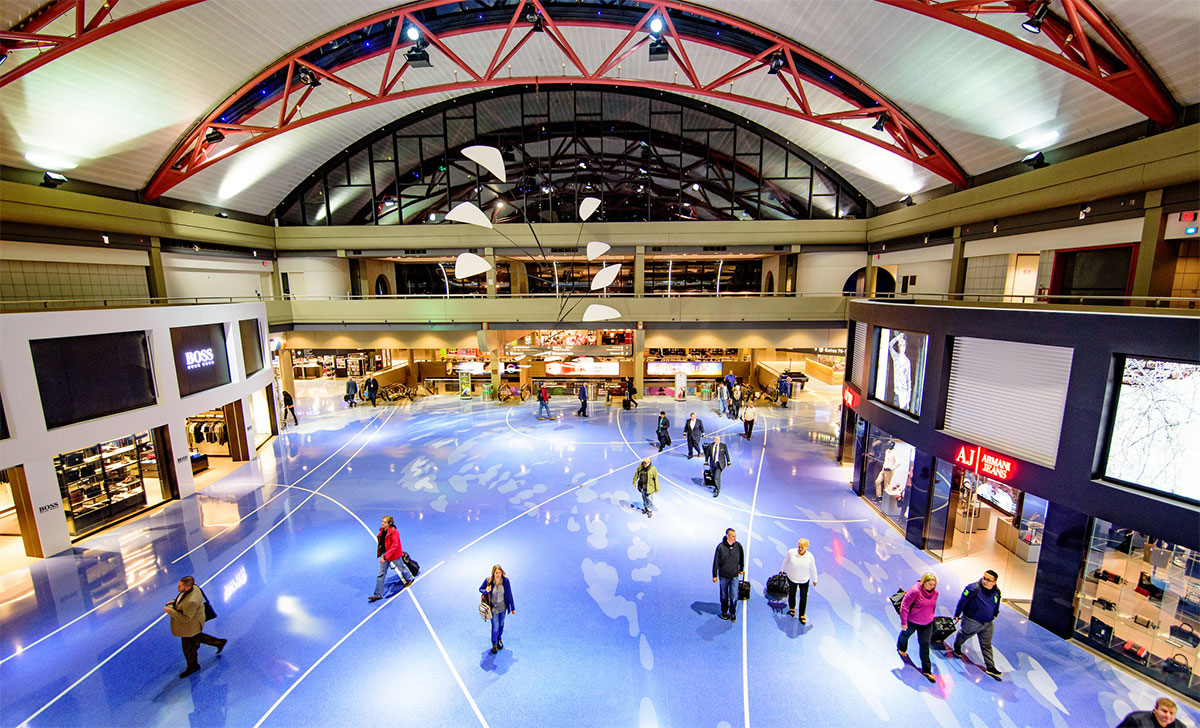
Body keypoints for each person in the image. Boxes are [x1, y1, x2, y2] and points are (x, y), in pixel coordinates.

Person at [164, 576, 226, 678]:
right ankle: (219, 643)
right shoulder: (194, 587)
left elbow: (186, 618)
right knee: (198, 637)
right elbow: (182, 598)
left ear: (187, 587)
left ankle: (193, 666)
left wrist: (171, 611)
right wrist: (175, 602)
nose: (177, 587)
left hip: (191, 626)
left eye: (180, 585)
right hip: (195, 623)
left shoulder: (191, 601)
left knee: (188, 648)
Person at [952, 569, 1003, 680]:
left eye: (989, 580)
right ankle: (957, 645)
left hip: (988, 623)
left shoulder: (996, 591)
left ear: (994, 582)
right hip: (972, 620)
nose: (985, 581)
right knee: (964, 634)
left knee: (986, 645)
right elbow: (962, 601)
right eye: (984, 578)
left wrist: (995, 613)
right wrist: (957, 613)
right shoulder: (972, 588)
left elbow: (997, 602)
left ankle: (990, 666)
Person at [898, 572, 940, 683]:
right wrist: (904, 622)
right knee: (905, 635)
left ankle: (927, 670)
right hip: (912, 621)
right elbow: (905, 606)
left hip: (927, 623)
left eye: (934, 585)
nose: (932, 587)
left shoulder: (935, 593)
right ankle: (901, 647)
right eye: (930, 584)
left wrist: (931, 617)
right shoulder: (915, 591)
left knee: (925, 644)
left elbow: (932, 607)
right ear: (924, 582)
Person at [368, 515, 415, 602]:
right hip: (385, 553)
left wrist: (385, 557)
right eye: (382, 521)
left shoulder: (394, 532)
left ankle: (409, 578)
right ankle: (378, 594)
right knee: (381, 574)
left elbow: (395, 546)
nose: (382, 523)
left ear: (389, 523)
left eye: (385, 522)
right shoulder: (382, 530)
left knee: (401, 567)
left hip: (394, 554)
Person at [779, 538, 818, 622]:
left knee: (803, 597)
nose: (800, 549)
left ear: (806, 547)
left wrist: (815, 579)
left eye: (802, 547)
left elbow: (813, 568)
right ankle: (792, 608)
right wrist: (782, 570)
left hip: (804, 580)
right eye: (799, 547)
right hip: (792, 578)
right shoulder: (791, 552)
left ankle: (802, 615)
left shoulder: (810, 557)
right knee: (792, 593)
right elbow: (785, 561)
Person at [480, 565, 516, 655]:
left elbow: (509, 594)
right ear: (493, 573)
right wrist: (486, 591)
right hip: (493, 609)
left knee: (501, 625)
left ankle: (499, 639)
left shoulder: (506, 581)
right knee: (495, 627)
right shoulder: (489, 581)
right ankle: (494, 644)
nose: (498, 575)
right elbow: (480, 589)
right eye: (496, 573)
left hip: (503, 608)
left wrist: (513, 607)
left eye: (500, 573)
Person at [713, 528, 745, 622]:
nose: (735, 538)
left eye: (735, 536)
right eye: (733, 536)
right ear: (728, 536)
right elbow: (716, 562)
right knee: (724, 595)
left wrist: (741, 569)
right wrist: (714, 575)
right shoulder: (720, 547)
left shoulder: (738, 546)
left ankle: (733, 612)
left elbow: (741, 558)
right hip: (723, 576)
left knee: (734, 595)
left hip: (734, 575)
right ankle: (724, 612)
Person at [1118, 698, 1187, 728]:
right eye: (1164, 711)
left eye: (1171, 713)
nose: (1168, 716)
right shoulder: (1136, 720)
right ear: (1155, 710)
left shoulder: (1180, 727)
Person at [889, 331, 913, 411]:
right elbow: (890, 345)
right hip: (896, 392)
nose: (902, 347)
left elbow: (909, 380)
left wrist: (908, 399)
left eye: (903, 345)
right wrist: (898, 337)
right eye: (900, 345)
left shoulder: (907, 361)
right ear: (898, 346)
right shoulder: (896, 357)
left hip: (904, 394)